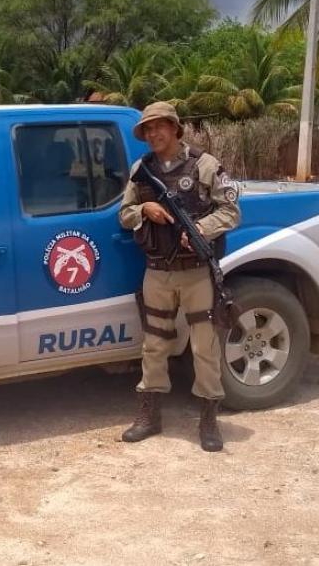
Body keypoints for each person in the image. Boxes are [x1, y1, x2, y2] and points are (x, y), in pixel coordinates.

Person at [118, 101, 240, 452]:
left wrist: (200, 228)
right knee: (154, 344)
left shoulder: (204, 165)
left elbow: (231, 211)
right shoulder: (141, 169)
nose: (154, 134)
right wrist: (144, 209)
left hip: (196, 273)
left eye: (160, 127)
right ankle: (150, 416)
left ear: (175, 128)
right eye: (148, 129)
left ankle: (208, 419)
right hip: (157, 272)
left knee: (204, 346)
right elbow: (124, 214)